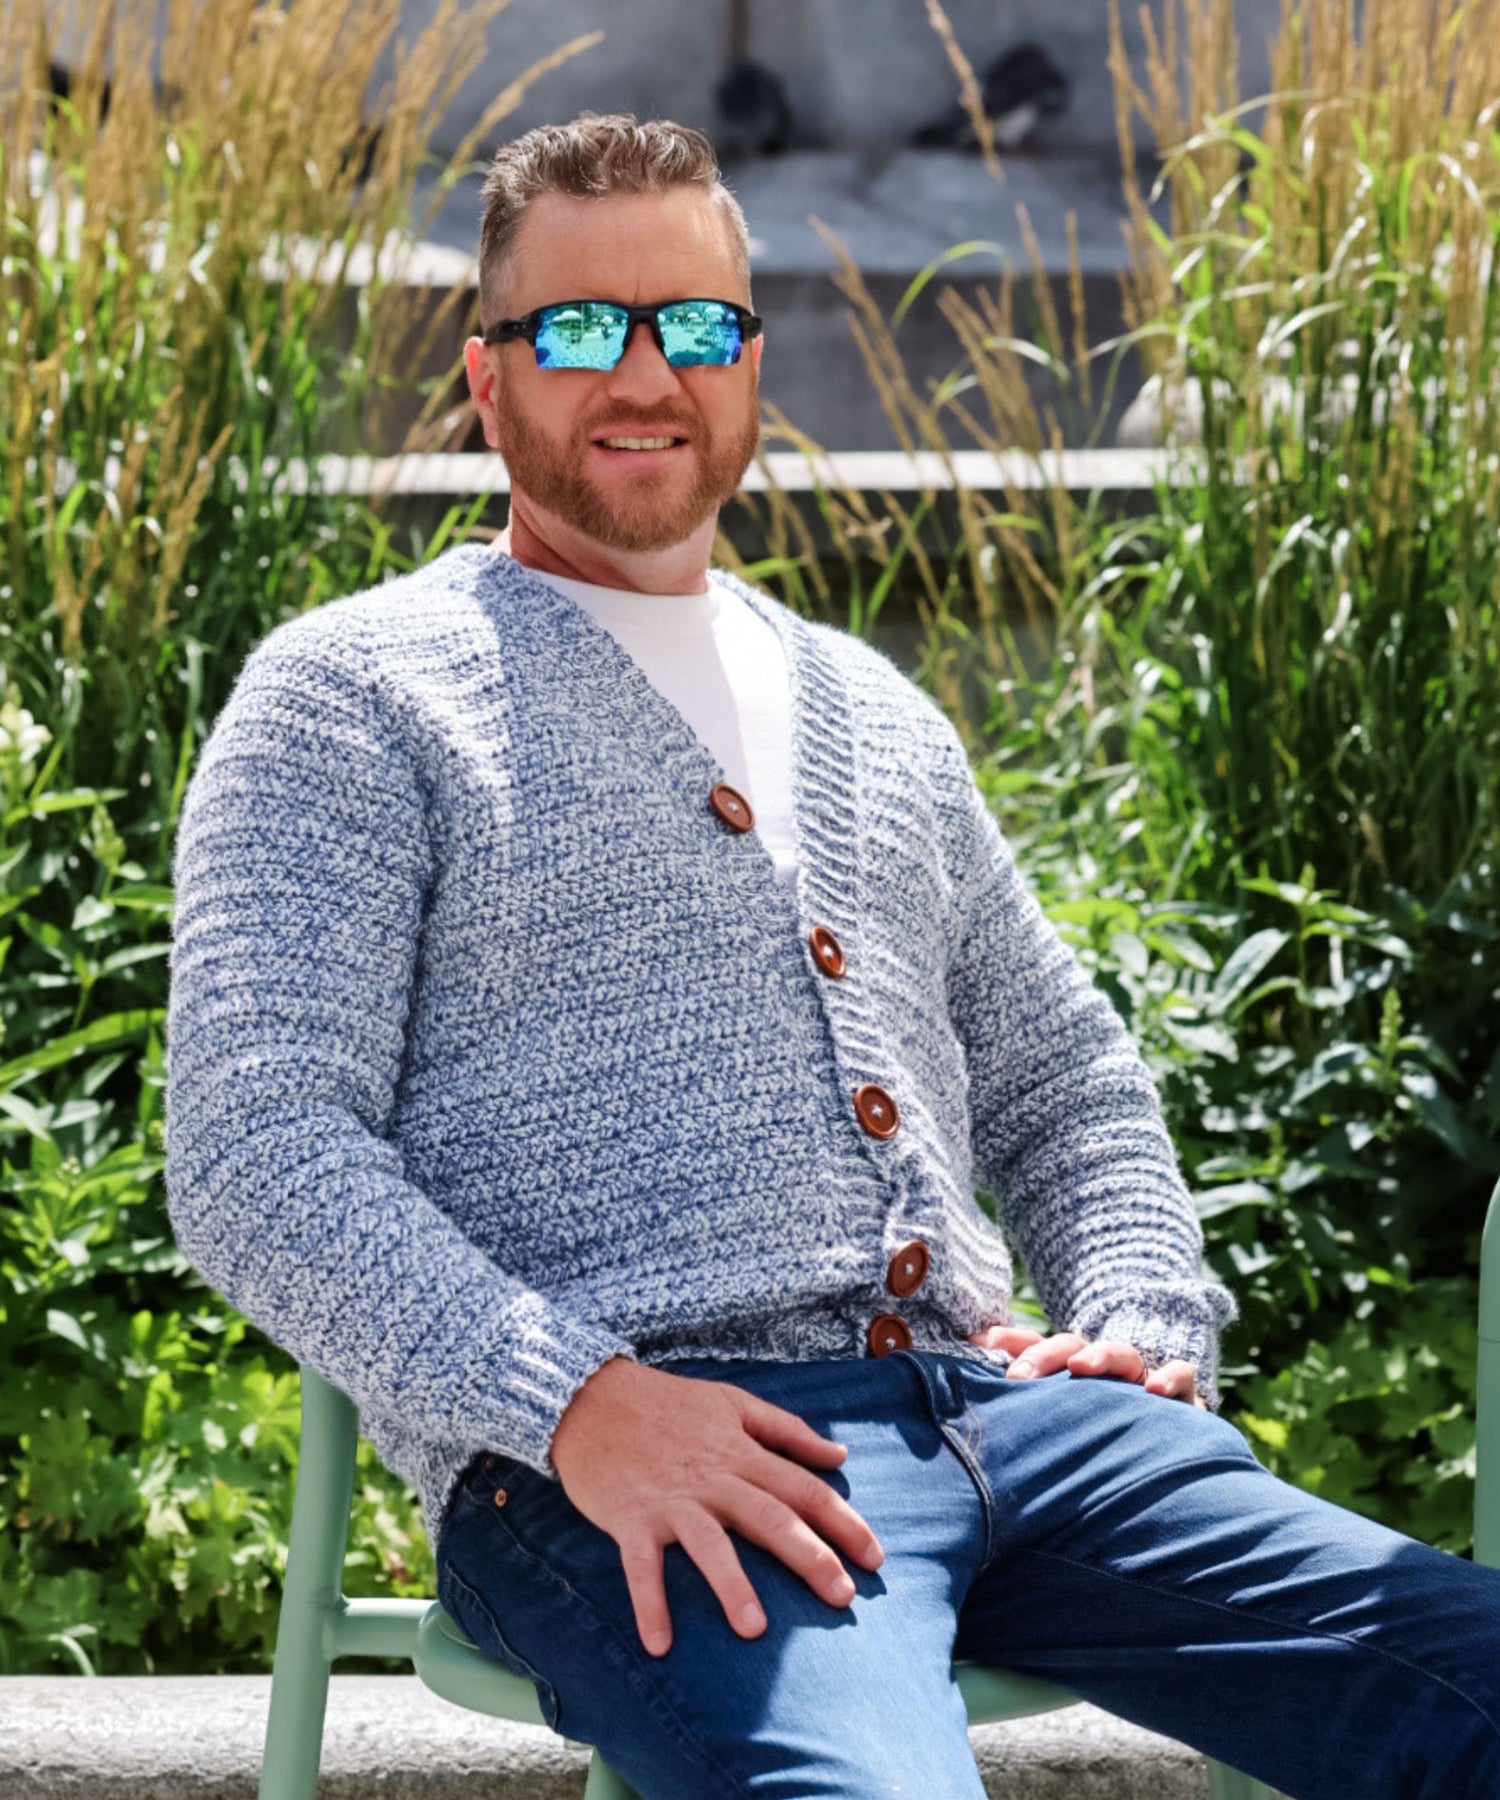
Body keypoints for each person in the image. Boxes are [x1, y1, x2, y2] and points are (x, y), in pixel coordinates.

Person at [163, 112, 1500, 1799]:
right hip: (645, 1465)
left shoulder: (875, 711)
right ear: (486, 381)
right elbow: (255, 1147)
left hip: (1017, 1428)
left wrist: (1143, 1314)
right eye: (578, 330)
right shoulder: (354, 697)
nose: (643, 372)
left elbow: (1064, 1079)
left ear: (750, 362)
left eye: (692, 324)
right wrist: (577, 1403)